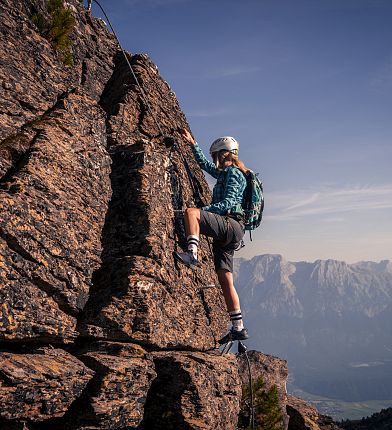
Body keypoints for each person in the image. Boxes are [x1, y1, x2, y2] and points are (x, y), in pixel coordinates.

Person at [174, 128, 250, 344]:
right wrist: (192, 144)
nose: (214, 160)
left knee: (191, 213)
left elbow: (228, 202)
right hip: (230, 231)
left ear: (222, 154)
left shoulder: (234, 173)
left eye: (215, 155)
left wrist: (203, 210)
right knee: (225, 278)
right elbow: (205, 167)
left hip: (230, 224)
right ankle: (238, 327)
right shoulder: (226, 172)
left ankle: (192, 254)